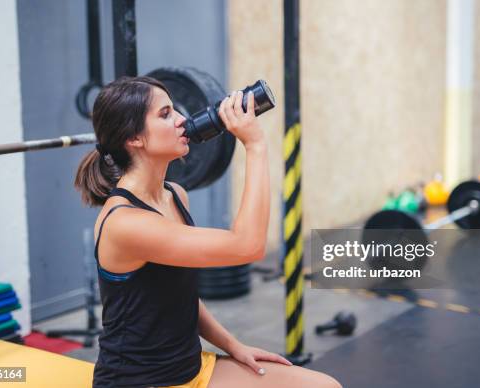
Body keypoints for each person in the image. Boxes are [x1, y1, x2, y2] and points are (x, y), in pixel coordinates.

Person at [75, 76, 341, 388]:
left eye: (174, 110)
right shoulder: (126, 223)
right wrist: (254, 146)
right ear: (134, 138)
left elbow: (177, 294)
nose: (182, 120)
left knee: (324, 386)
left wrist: (234, 346)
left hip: (191, 369)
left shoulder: (174, 194)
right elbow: (248, 246)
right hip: (138, 381)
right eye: (165, 114)